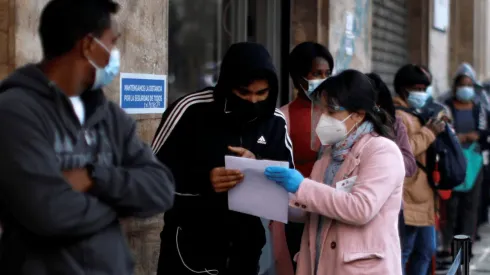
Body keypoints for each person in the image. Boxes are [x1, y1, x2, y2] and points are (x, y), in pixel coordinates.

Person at [0, 0, 175, 274]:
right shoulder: (16, 111)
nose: (115, 53)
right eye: (112, 42)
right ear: (88, 46)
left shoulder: (109, 116)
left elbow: (161, 188)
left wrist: (95, 177)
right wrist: (118, 206)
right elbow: (49, 212)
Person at [153, 42, 294, 275]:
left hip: (245, 250)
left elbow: (290, 179)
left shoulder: (275, 120)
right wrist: (205, 180)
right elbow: (151, 174)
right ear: (228, 86)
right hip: (188, 247)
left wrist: (257, 162)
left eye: (261, 93)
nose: (253, 101)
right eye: (243, 93)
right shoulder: (190, 110)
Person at [264, 69, 405, 275]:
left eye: (331, 111)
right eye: (321, 110)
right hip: (321, 263)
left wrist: (302, 186)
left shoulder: (381, 151)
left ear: (358, 114)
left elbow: (361, 208)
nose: (323, 117)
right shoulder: (329, 153)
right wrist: (276, 196)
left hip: (361, 268)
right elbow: (313, 208)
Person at [272, 41, 334, 275]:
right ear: (298, 77)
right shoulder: (282, 117)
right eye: (316, 73)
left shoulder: (341, 115)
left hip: (332, 208)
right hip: (295, 211)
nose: (323, 78)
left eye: (328, 73)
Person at [392, 64, 446, 275]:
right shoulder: (398, 115)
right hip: (408, 194)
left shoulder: (418, 112)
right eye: (417, 88)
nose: (422, 93)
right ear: (403, 89)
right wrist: (429, 133)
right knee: (405, 250)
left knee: (426, 250)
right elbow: (402, 151)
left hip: (424, 194)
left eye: (425, 88)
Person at [439, 70, 488, 262]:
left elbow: (484, 131)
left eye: (469, 85)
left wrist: (473, 137)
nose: (466, 89)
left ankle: (465, 246)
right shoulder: (447, 107)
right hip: (451, 162)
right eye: (462, 84)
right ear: (455, 87)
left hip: (474, 162)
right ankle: (447, 245)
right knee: (450, 207)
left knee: (470, 206)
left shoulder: (479, 108)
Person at [366, 72, 416, 248]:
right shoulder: (346, 129)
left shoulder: (394, 124)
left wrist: (385, 155)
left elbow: (410, 166)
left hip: (390, 208)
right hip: (360, 206)